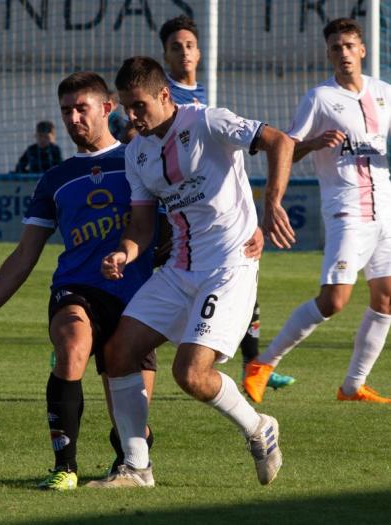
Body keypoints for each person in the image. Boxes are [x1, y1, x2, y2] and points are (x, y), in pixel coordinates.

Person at [86, 56, 295, 489]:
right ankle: (137, 467)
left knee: (191, 374)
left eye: (139, 105)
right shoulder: (137, 152)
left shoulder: (209, 122)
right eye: (126, 107)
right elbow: (142, 226)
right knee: (118, 352)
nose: (132, 116)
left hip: (228, 268)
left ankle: (259, 427)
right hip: (178, 270)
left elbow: (280, 141)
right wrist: (125, 253)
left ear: (165, 95)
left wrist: (272, 202)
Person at [0, 72, 160, 491]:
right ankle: (65, 466)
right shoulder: (55, 180)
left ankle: (129, 459)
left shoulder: (141, 161)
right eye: (66, 110)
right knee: (72, 346)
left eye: (82, 108)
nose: (74, 118)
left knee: (132, 429)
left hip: (137, 298)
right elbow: (26, 253)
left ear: (107, 108)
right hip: (77, 289)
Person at [244, 18, 391, 404]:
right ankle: (263, 364)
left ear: (362, 49)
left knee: (387, 296)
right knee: (334, 300)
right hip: (347, 211)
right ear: (329, 54)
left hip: (385, 211)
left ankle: (352, 386)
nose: (343, 53)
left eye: (348, 46)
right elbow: (287, 146)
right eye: (335, 48)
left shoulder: (383, 93)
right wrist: (313, 144)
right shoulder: (320, 98)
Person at [158, 14, 295, 391]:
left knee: (240, 275)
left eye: (189, 45)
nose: (184, 52)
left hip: (212, 223)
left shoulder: (202, 100)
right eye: (175, 47)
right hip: (170, 222)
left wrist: (250, 218)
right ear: (165, 55)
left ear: (199, 53)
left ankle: (252, 364)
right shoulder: (161, 99)